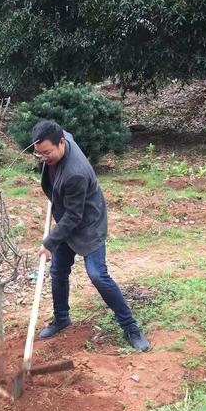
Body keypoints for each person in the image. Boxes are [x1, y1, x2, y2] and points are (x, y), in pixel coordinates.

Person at [33, 120, 150, 351]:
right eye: (39, 154)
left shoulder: (75, 173)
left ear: (62, 143)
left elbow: (74, 217)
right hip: (68, 218)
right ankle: (62, 319)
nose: (43, 157)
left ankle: (131, 328)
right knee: (58, 270)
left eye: (47, 153)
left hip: (88, 223)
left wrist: (49, 243)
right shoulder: (57, 137)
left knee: (97, 275)